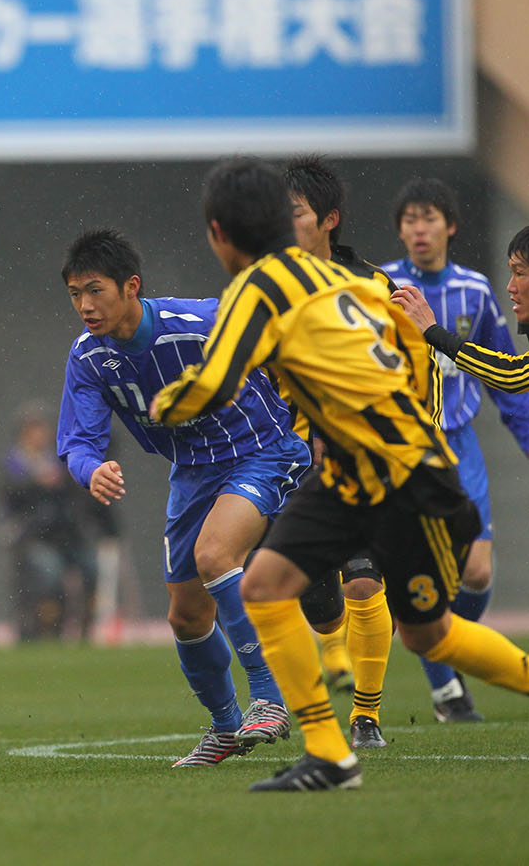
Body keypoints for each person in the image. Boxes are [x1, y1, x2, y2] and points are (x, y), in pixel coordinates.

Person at [151, 157, 529, 792]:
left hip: (406, 472)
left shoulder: (259, 286)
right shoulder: (335, 280)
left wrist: (169, 403)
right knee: (266, 584)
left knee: (429, 634)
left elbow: (216, 382)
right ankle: (330, 754)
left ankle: (349, 728)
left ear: (220, 233)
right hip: (350, 472)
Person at [57, 229, 302, 768]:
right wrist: (90, 469)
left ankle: (270, 695)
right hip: (192, 472)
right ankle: (225, 727)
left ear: (131, 287)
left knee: (216, 555)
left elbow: (289, 344)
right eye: (75, 294)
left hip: (261, 450)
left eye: (95, 290)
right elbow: (77, 441)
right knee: (187, 615)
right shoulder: (89, 358)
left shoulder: (202, 323)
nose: (85, 305)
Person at [380, 177, 529, 723]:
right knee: (413, 569)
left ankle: (442, 642)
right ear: (399, 230)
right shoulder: (380, 289)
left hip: (459, 442)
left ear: (451, 226)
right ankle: (445, 686)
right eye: (409, 220)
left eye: (430, 218)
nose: (420, 229)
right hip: (405, 444)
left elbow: (507, 375)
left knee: (477, 574)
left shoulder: (475, 291)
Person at [282, 155, 400, 750]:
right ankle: (334, 655)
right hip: (293, 463)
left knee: (360, 581)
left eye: (296, 211)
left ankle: (366, 717)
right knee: (318, 602)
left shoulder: (376, 287)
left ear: (328, 219)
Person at [0, 403, 103, 641]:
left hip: (67, 534)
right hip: (33, 537)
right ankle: (48, 633)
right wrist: (37, 482)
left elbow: (76, 494)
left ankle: (86, 633)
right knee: (49, 574)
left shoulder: (58, 459)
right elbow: (9, 494)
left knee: (91, 569)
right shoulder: (13, 464)